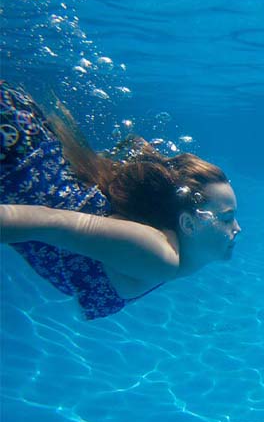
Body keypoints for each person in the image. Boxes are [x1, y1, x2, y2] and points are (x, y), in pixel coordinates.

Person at [0, 80, 241, 319]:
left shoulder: (161, 253)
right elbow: (48, 221)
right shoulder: (160, 256)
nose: (237, 228)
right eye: (228, 217)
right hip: (13, 148)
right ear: (189, 224)